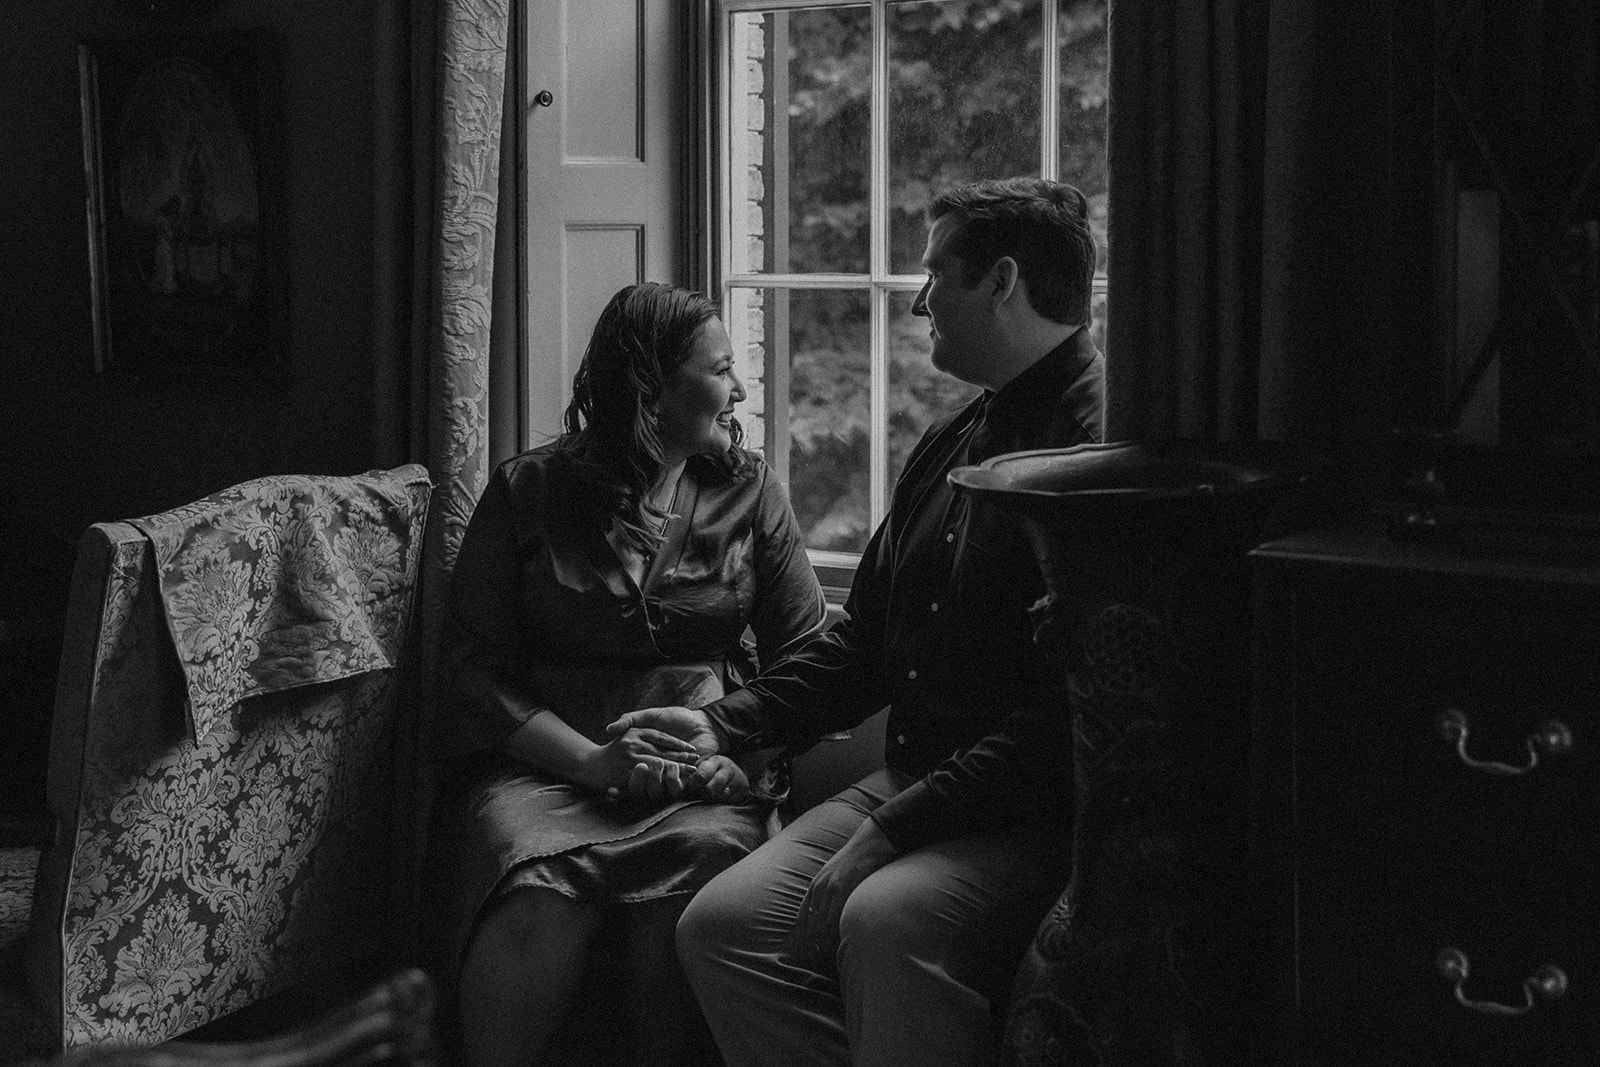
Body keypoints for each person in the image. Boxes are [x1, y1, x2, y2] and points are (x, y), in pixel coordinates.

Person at [609, 177, 1106, 1066]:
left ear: (1001, 281)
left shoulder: (1095, 450)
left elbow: (1060, 718)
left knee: (883, 918)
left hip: (1028, 814)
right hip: (914, 780)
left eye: (934, 274)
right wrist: (725, 720)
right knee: (725, 924)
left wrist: (891, 830)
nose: (918, 301)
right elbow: (863, 640)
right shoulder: (952, 440)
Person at [435, 282, 829, 1067]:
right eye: (719, 368)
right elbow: (474, 669)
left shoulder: (750, 492)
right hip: (543, 774)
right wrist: (589, 760)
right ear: (651, 390)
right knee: (540, 900)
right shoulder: (528, 490)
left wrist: (736, 758)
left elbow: (810, 657)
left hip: (705, 780)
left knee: (683, 903)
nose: (740, 388)